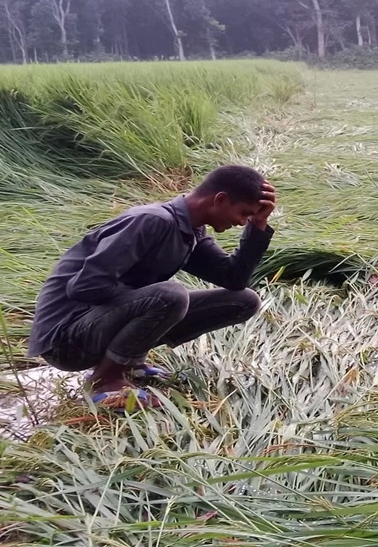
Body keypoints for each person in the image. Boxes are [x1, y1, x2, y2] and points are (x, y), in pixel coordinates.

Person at [27, 164, 277, 407]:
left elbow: (233, 278)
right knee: (170, 296)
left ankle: (129, 363)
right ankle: (104, 380)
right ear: (220, 199)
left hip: (95, 325)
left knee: (244, 301)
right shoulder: (152, 221)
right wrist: (150, 302)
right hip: (65, 340)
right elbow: (85, 286)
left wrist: (258, 227)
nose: (243, 222)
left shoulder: (191, 231)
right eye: (244, 213)